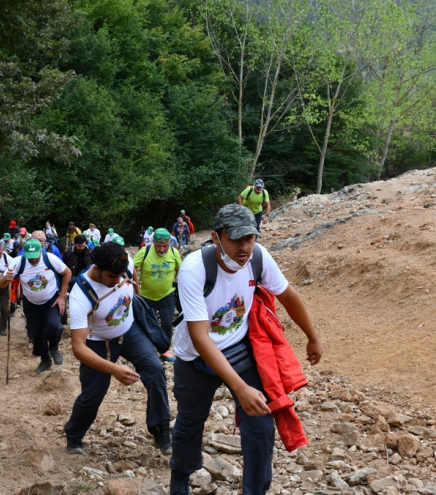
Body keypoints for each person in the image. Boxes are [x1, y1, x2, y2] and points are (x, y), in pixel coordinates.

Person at [169, 204, 323, 494]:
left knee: (262, 427)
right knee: (191, 422)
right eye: (236, 239)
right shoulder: (194, 269)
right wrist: (239, 387)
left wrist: (312, 336)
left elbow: (288, 295)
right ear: (216, 237)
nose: (244, 247)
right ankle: (180, 474)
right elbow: (201, 338)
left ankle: (255, 490)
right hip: (195, 356)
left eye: (249, 238)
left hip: (239, 347)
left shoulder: (258, 257)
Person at [63, 242, 171, 455]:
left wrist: (137, 296)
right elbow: (78, 347)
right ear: (97, 269)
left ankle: (161, 429)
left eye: (122, 275)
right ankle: (74, 434)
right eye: (113, 277)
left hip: (130, 331)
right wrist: (113, 369)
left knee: (155, 371)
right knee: (93, 394)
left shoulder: (124, 264)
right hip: (99, 342)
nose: (119, 280)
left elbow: (133, 281)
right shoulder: (81, 294)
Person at [0, 239, 72, 374]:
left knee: (55, 326)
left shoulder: (49, 258)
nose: (33, 260)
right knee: (36, 335)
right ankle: (45, 360)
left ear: (41, 251)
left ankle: (54, 347)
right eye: (30, 257)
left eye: (35, 257)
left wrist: (62, 296)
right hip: (31, 304)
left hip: (51, 300)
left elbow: (67, 273)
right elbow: (0, 284)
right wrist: (5, 278)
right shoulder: (17, 262)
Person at [133, 228, 181, 363]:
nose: (161, 249)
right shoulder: (145, 251)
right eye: (158, 246)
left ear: (169, 243)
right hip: (146, 296)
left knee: (167, 323)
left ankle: (164, 350)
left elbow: (181, 272)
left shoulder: (174, 252)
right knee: (147, 323)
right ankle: (148, 350)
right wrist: (136, 287)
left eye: (165, 246)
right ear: (153, 242)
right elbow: (131, 268)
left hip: (167, 295)